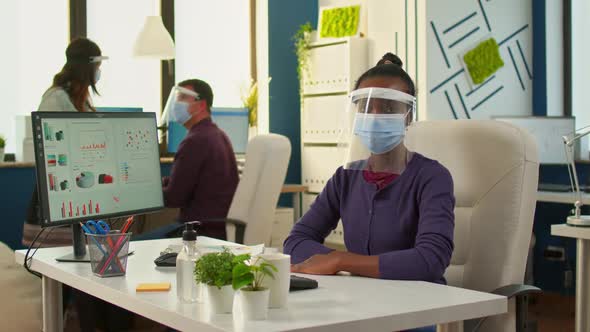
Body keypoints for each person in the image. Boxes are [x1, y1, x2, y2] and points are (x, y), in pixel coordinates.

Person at [284, 53, 455, 332]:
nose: (374, 116)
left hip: (414, 311)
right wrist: (346, 265)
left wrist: (340, 260)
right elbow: (296, 240)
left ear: (408, 115)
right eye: (365, 106)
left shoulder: (432, 177)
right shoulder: (345, 178)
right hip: (358, 306)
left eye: (388, 107)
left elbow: (431, 260)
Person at [24, 37, 107, 246]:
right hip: (58, 192)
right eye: (98, 66)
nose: (99, 72)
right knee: (59, 260)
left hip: (81, 187)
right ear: (87, 67)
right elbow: (51, 148)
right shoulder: (56, 98)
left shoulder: (79, 100)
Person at [159, 79, 239, 240]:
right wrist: (166, 182)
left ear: (201, 105)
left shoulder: (195, 141)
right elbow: (198, 183)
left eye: (182, 98)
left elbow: (174, 198)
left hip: (197, 232)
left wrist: (143, 193)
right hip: (216, 230)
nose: (176, 104)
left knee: (127, 245)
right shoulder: (218, 135)